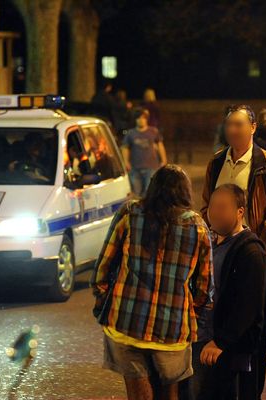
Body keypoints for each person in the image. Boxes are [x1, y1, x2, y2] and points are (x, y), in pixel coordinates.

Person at [92, 165, 214, 400]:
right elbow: (204, 287)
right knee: (171, 391)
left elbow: (103, 267)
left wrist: (103, 296)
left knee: (138, 390)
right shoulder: (197, 226)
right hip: (173, 328)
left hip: (126, 321)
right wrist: (192, 312)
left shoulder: (131, 213)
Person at [201, 104, 266, 396]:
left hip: (254, 253)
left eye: (240, 125)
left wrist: (260, 246)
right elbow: (205, 202)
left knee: (253, 324)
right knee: (223, 312)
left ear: (253, 128)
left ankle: (250, 389)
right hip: (220, 250)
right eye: (229, 125)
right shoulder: (218, 162)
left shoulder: (265, 162)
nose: (234, 130)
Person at [191, 184, 266, 400]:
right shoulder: (211, 243)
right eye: (212, 207)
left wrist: (221, 342)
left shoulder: (251, 252)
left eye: (222, 207)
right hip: (204, 341)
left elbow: (249, 306)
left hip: (229, 351)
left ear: (240, 212)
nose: (215, 214)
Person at [122, 108, 167, 196]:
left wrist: (164, 160)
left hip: (151, 167)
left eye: (143, 118)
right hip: (135, 168)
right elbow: (125, 148)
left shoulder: (153, 131)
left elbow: (160, 145)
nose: (141, 120)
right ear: (135, 120)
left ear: (146, 119)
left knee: (149, 192)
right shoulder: (130, 133)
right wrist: (126, 162)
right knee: (136, 193)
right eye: (138, 118)